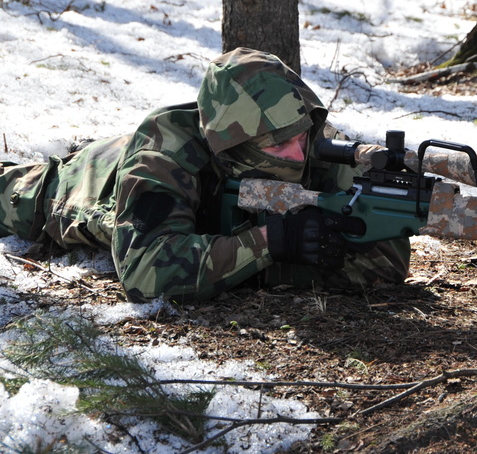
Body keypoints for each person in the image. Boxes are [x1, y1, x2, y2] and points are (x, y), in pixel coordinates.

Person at [0, 48, 410, 302]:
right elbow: (145, 273)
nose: (297, 155)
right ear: (232, 147)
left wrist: (285, 258)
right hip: (64, 189)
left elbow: (385, 263)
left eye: (301, 137)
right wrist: (269, 243)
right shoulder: (165, 154)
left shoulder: (309, 136)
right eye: (277, 147)